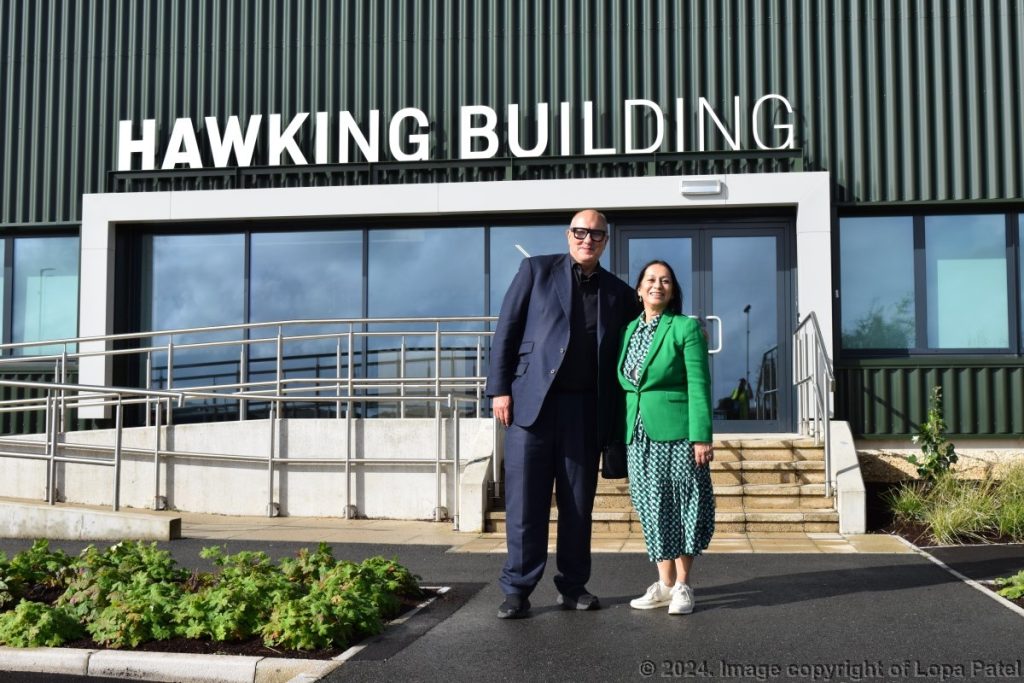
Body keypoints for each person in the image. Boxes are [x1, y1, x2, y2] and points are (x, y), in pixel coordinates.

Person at [486, 209, 638, 619]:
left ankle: (572, 586)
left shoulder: (619, 293)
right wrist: (499, 389)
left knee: (577, 506)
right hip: (530, 406)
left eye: (596, 234)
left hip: (583, 411)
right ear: (568, 235)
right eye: (580, 232)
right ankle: (517, 589)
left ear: (605, 241)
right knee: (524, 505)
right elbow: (507, 331)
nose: (587, 239)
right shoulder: (535, 270)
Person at [617, 259, 714, 615]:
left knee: (685, 504)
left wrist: (701, 437)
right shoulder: (628, 331)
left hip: (678, 434)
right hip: (639, 434)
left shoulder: (685, 328)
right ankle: (664, 584)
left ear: (672, 290)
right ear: (640, 289)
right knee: (652, 507)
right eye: (651, 280)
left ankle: (684, 586)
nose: (658, 285)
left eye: (666, 281)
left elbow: (699, 385)